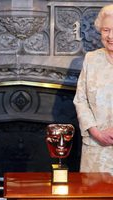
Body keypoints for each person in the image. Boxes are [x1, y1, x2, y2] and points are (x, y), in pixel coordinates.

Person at [73, 4, 113, 174]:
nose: (110, 36)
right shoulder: (91, 59)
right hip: (96, 148)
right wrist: (96, 133)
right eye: (106, 30)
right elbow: (80, 100)